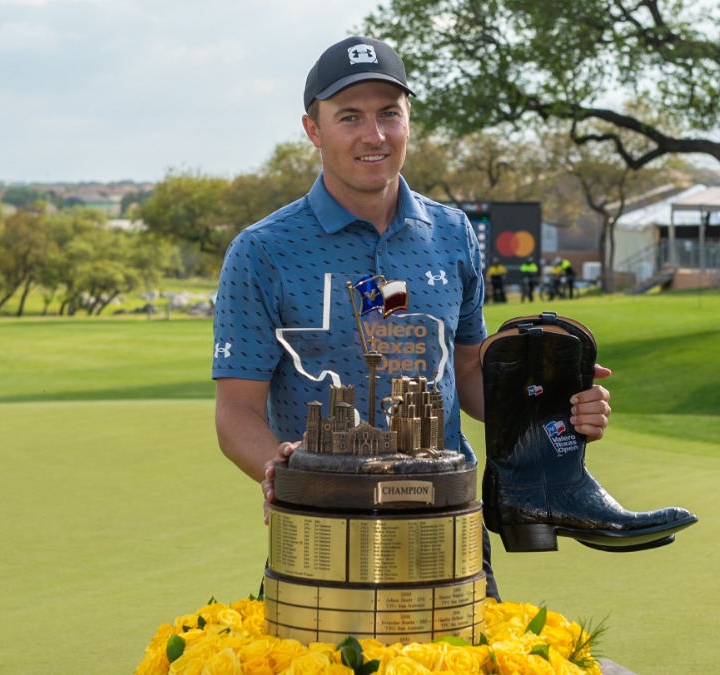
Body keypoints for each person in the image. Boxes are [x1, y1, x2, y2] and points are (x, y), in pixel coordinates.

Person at [211, 35, 614, 600]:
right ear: (313, 129)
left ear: (408, 122)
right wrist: (275, 466)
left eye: (389, 115)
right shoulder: (262, 251)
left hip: (451, 524)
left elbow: (470, 375)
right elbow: (235, 410)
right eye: (349, 116)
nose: (373, 136)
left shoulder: (452, 234)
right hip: (325, 532)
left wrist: (551, 402)